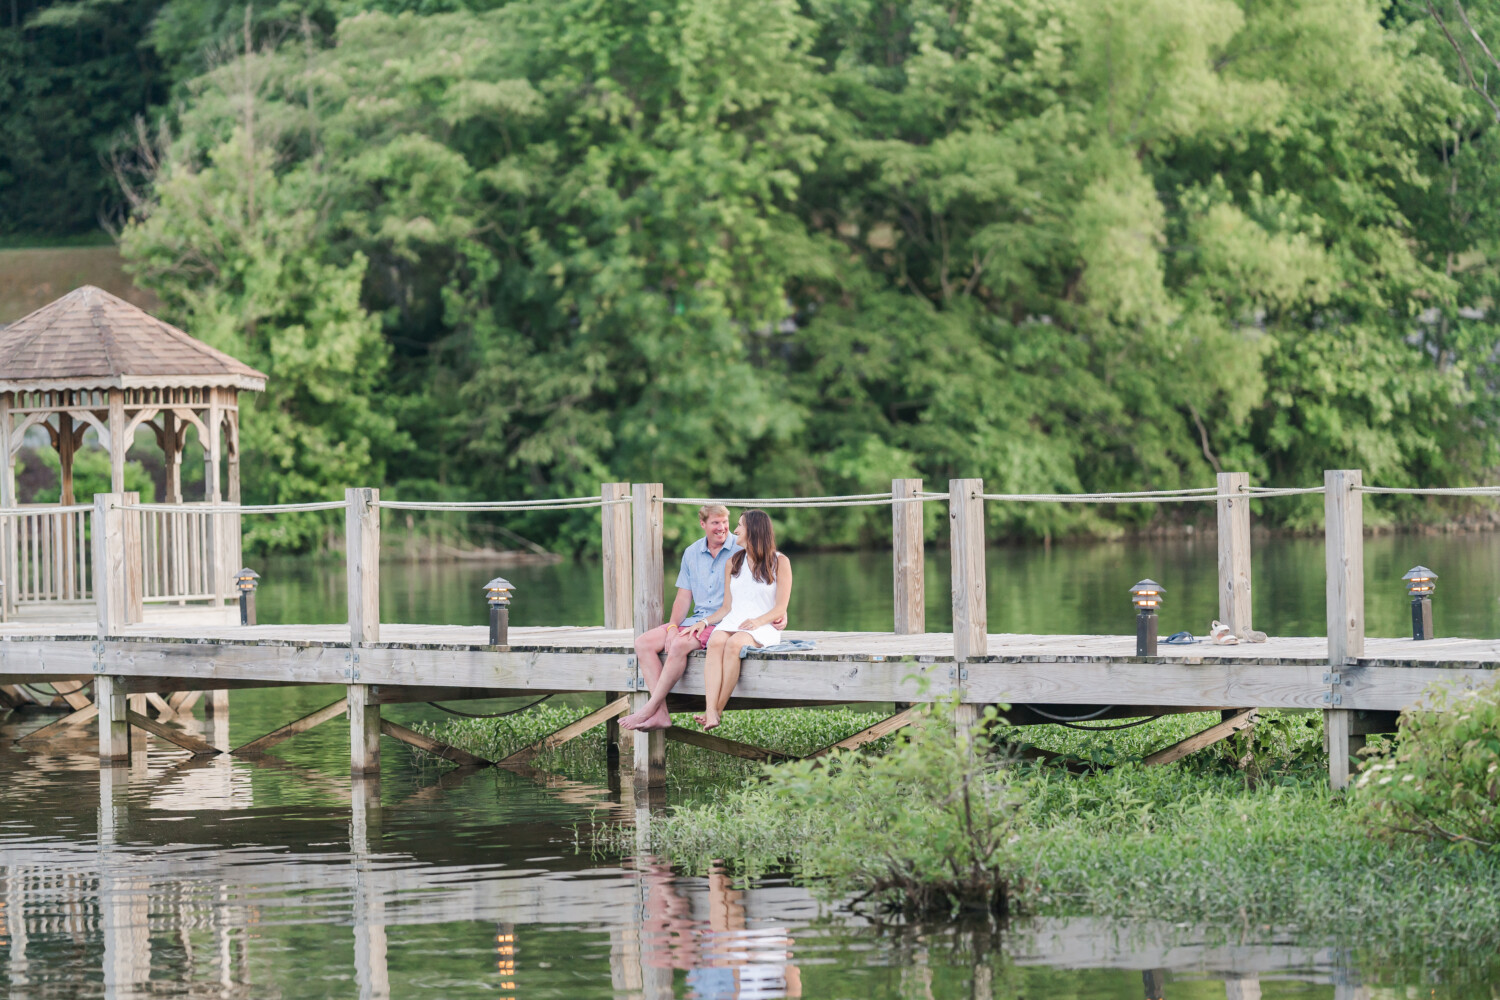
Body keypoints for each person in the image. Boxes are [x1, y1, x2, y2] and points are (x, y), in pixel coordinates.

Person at [620, 505, 783, 732]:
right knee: (643, 643)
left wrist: (776, 616)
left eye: (727, 522)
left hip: (724, 622)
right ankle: (660, 713)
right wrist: (673, 627)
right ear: (703, 524)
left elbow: (764, 592)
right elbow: (683, 598)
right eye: (716, 522)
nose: (725, 528)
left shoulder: (739, 551)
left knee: (680, 644)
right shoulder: (693, 553)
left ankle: (650, 707)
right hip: (701, 620)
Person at [688, 510, 792, 731]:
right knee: (716, 640)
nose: (735, 530)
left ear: (753, 530)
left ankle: (718, 710)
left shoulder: (780, 562)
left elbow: (781, 607)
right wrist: (705, 622)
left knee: (735, 644)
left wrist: (757, 621)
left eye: (739, 526)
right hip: (734, 620)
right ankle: (709, 709)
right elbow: (726, 607)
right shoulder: (733, 562)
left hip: (762, 626)